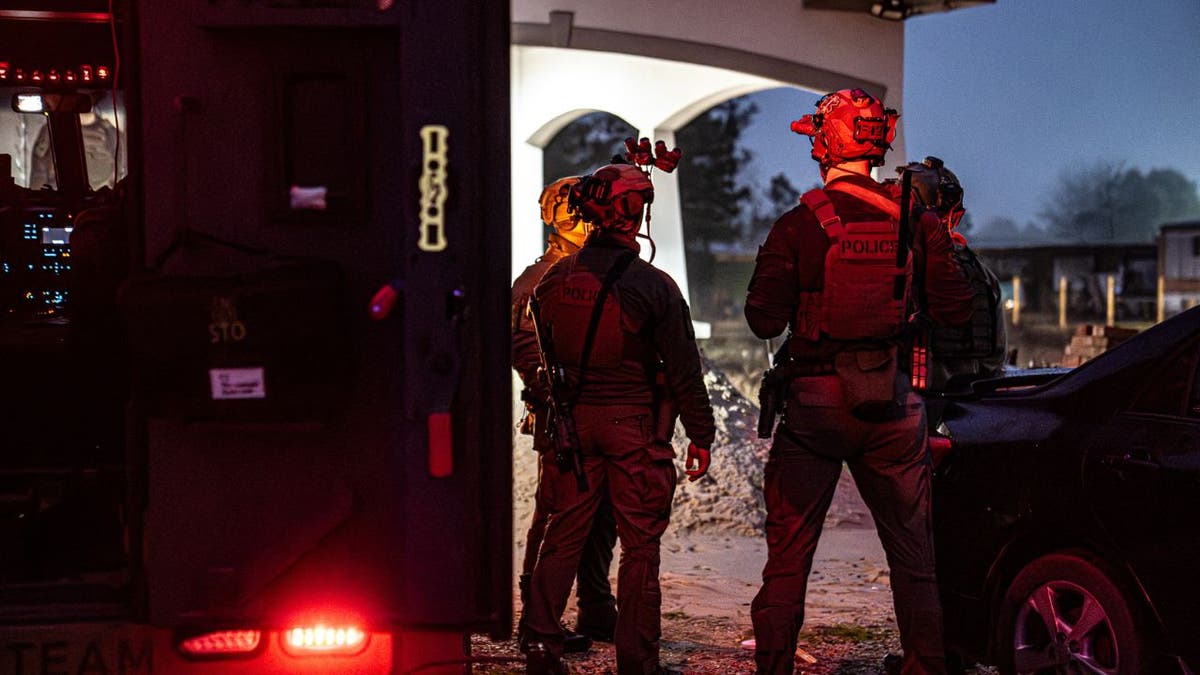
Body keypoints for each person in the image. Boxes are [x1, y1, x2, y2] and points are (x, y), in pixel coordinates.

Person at [744, 89, 974, 675]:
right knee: (912, 554)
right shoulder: (918, 222)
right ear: (878, 141)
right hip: (894, 405)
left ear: (825, 143)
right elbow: (955, 310)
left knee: (788, 557)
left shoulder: (800, 224)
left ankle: (774, 665)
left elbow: (763, 320)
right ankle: (926, 664)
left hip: (815, 404)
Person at [520, 154, 716, 675]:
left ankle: (540, 649)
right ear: (636, 214)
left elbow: (542, 358)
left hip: (571, 429)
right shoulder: (655, 287)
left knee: (562, 537)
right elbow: (683, 371)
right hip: (634, 428)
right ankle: (638, 662)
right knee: (640, 550)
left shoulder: (550, 282)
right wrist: (702, 433)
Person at [511, 176, 619, 652]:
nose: (584, 222)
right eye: (574, 214)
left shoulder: (590, 273)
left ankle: (596, 608)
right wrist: (552, 392)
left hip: (594, 414)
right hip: (559, 417)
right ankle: (535, 618)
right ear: (559, 219)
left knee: (602, 519)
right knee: (554, 515)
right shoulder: (538, 281)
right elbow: (523, 348)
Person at [897, 157, 1007, 394]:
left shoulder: (889, 264)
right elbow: (996, 358)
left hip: (905, 397)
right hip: (969, 398)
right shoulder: (980, 273)